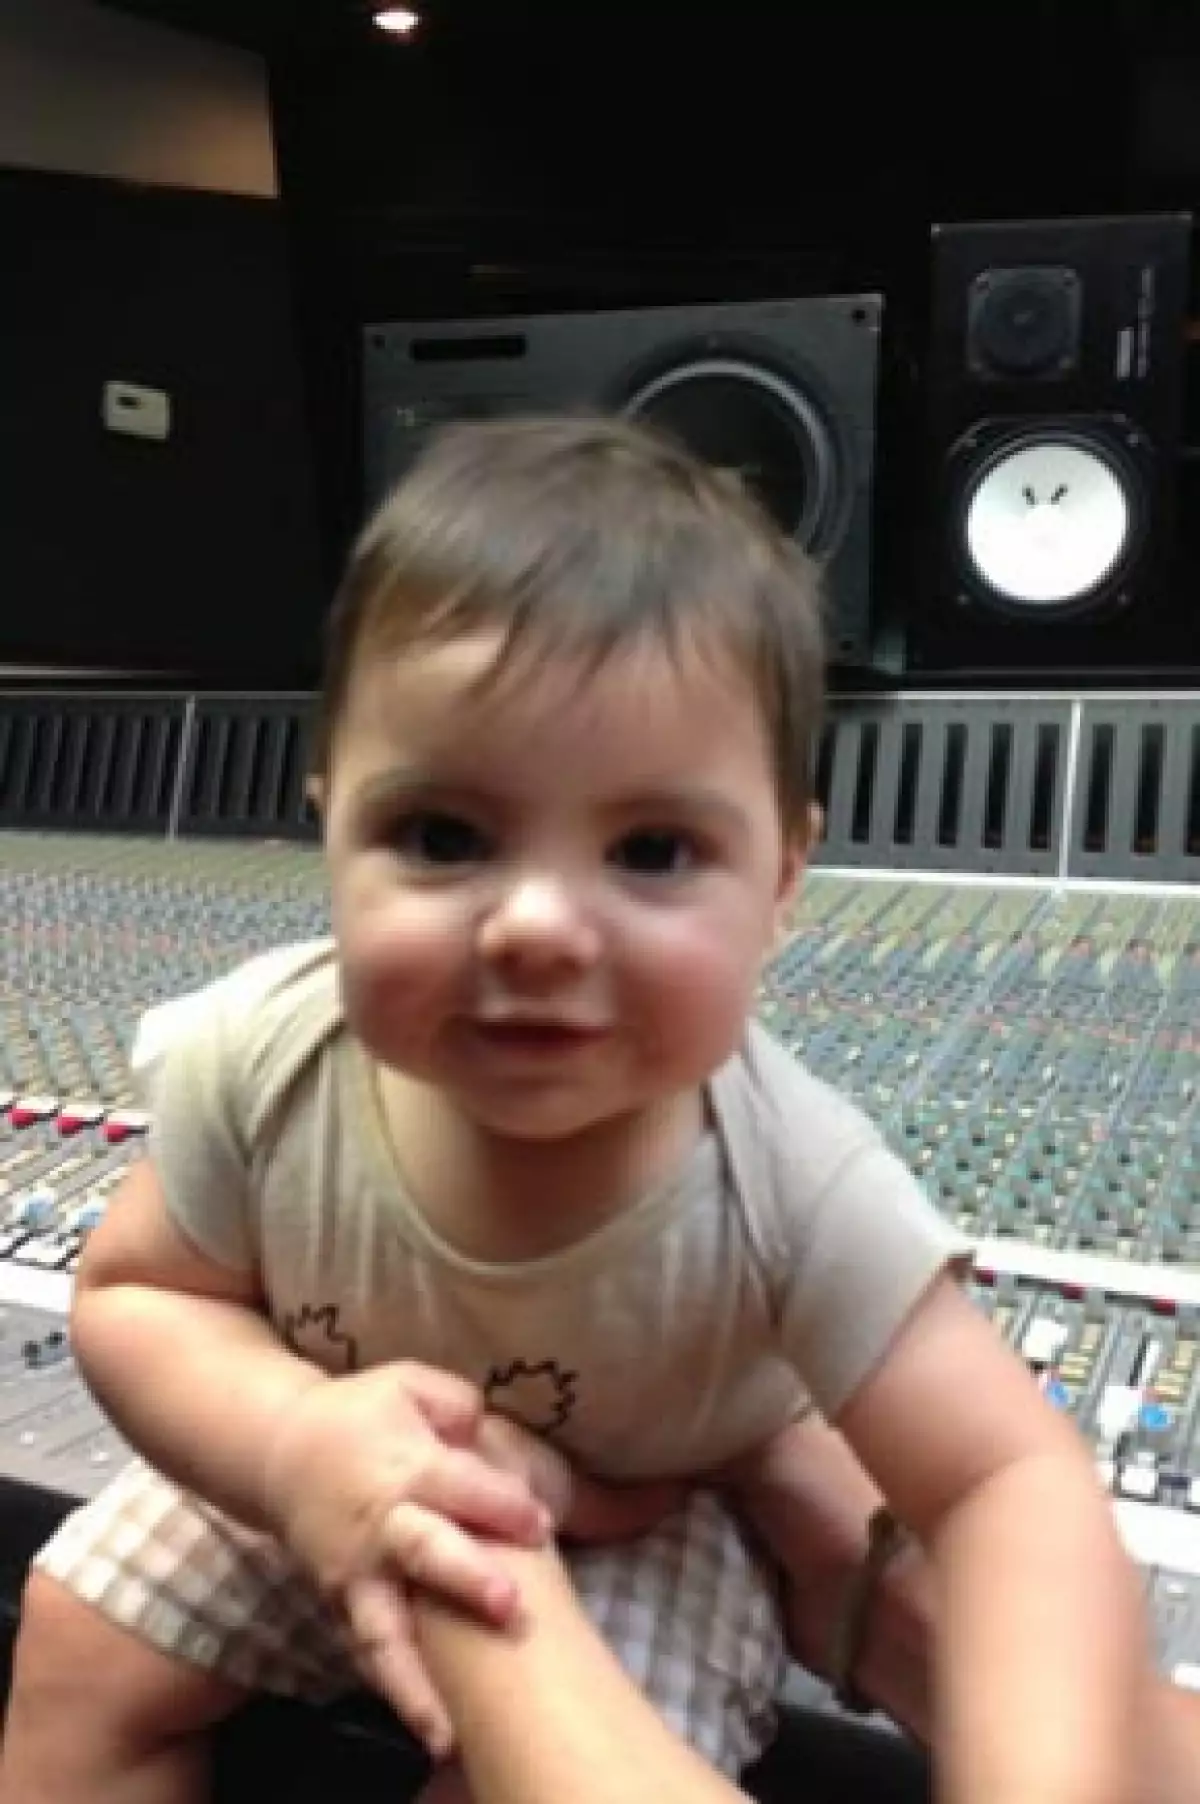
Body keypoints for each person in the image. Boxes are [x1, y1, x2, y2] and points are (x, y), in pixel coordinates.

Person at [0, 415, 1193, 1804]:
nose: (540, 928)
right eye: (446, 836)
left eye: (652, 850)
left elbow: (1006, 1483)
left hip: (651, 1526)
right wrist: (291, 1443)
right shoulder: (263, 1056)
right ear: (325, 820)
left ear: (786, 875)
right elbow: (142, 1296)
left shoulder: (795, 1182)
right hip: (321, 1452)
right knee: (80, 1654)